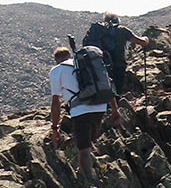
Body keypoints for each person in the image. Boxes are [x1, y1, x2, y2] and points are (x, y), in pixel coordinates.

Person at [49, 47, 121, 179]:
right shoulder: (88, 65)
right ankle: (89, 170)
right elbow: (105, 85)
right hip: (100, 107)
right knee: (90, 141)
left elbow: (56, 102)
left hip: (80, 110)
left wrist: (55, 127)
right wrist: (115, 110)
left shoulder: (57, 70)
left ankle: (90, 183)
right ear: (70, 55)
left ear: (56, 59)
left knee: (84, 149)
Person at [98, 13, 149, 96]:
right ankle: (116, 105)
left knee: (105, 93)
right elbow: (142, 42)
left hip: (101, 68)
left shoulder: (99, 32)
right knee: (117, 92)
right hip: (118, 66)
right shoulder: (122, 30)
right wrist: (146, 39)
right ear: (117, 20)